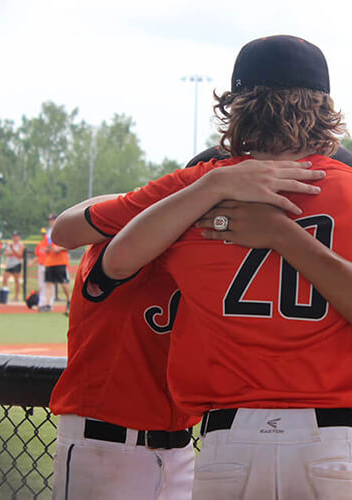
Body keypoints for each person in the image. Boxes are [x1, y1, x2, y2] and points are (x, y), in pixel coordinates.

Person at [86, 35, 352, 500]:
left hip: (228, 442)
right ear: (324, 109)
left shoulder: (196, 197)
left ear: (235, 107)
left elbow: (108, 265)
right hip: (339, 439)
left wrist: (212, 195)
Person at [49, 165, 329, 500]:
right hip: (103, 444)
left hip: (181, 448)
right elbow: (66, 231)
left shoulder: (220, 252)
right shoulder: (132, 233)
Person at [42, 214, 71, 314]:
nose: (51, 222)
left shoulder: (62, 231)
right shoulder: (48, 233)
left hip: (60, 261)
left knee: (63, 283)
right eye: (50, 220)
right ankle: (48, 304)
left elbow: (70, 244)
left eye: (53, 220)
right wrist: (47, 249)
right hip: (50, 261)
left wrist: (59, 248)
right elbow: (46, 246)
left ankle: (69, 300)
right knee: (48, 283)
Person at [2, 231, 24, 302]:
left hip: (16, 264)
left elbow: (19, 254)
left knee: (16, 280)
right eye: (14, 236)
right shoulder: (9, 244)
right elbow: (5, 253)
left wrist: (13, 250)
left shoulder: (21, 245)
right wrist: (11, 252)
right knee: (5, 278)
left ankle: (16, 296)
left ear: (19, 237)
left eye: (16, 236)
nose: (15, 237)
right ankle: (5, 295)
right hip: (9, 264)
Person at [34, 227, 50, 310]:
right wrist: (32, 262)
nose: (43, 235)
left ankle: (47, 303)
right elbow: (37, 255)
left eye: (45, 233)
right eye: (42, 233)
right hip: (40, 265)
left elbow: (52, 250)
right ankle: (42, 302)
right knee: (41, 285)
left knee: (47, 285)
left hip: (47, 265)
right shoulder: (40, 244)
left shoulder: (49, 242)